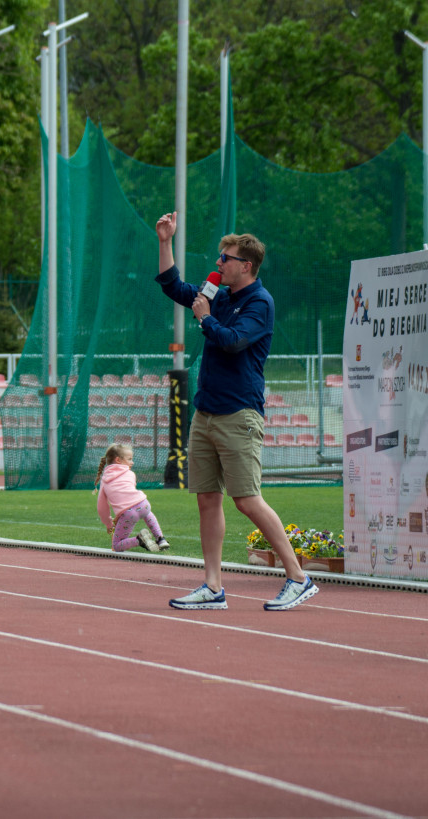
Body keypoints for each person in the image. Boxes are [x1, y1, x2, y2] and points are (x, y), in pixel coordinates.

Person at [155, 211, 318, 611]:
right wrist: (164, 241)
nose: (217, 264)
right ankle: (212, 586)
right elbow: (174, 287)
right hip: (206, 413)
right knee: (207, 499)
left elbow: (232, 342)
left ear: (245, 265)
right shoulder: (220, 294)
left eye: (224, 259)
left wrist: (205, 319)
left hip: (238, 414)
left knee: (247, 499)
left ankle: (299, 577)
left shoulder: (260, 303)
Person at [95, 443, 170, 553]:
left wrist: (109, 524)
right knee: (146, 512)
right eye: (129, 459)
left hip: (128, 513)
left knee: (116, 546)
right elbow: (129, 497)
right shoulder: (130, 474)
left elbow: (102, 508)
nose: (132, 462)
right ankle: (160, 539)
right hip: (143, 504)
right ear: (118, 460)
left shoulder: (105, 480)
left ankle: (139, 540)